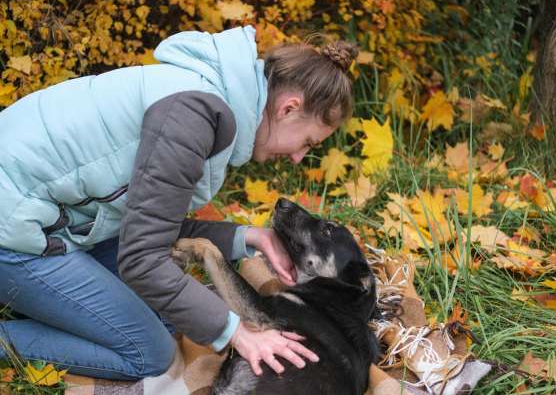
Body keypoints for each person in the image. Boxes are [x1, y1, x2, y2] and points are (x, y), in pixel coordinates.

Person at [0, 25, 358, 380]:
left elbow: (153, 222)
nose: (298, 157)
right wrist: (238, 333)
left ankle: (55, 310)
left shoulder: (207, 98)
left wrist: (253, 238)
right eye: (308, 142)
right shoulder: (191, 117)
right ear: (288, 108)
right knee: (150, 352)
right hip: (14, 230)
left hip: (45, 217)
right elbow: (142, 259)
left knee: (172, 311)